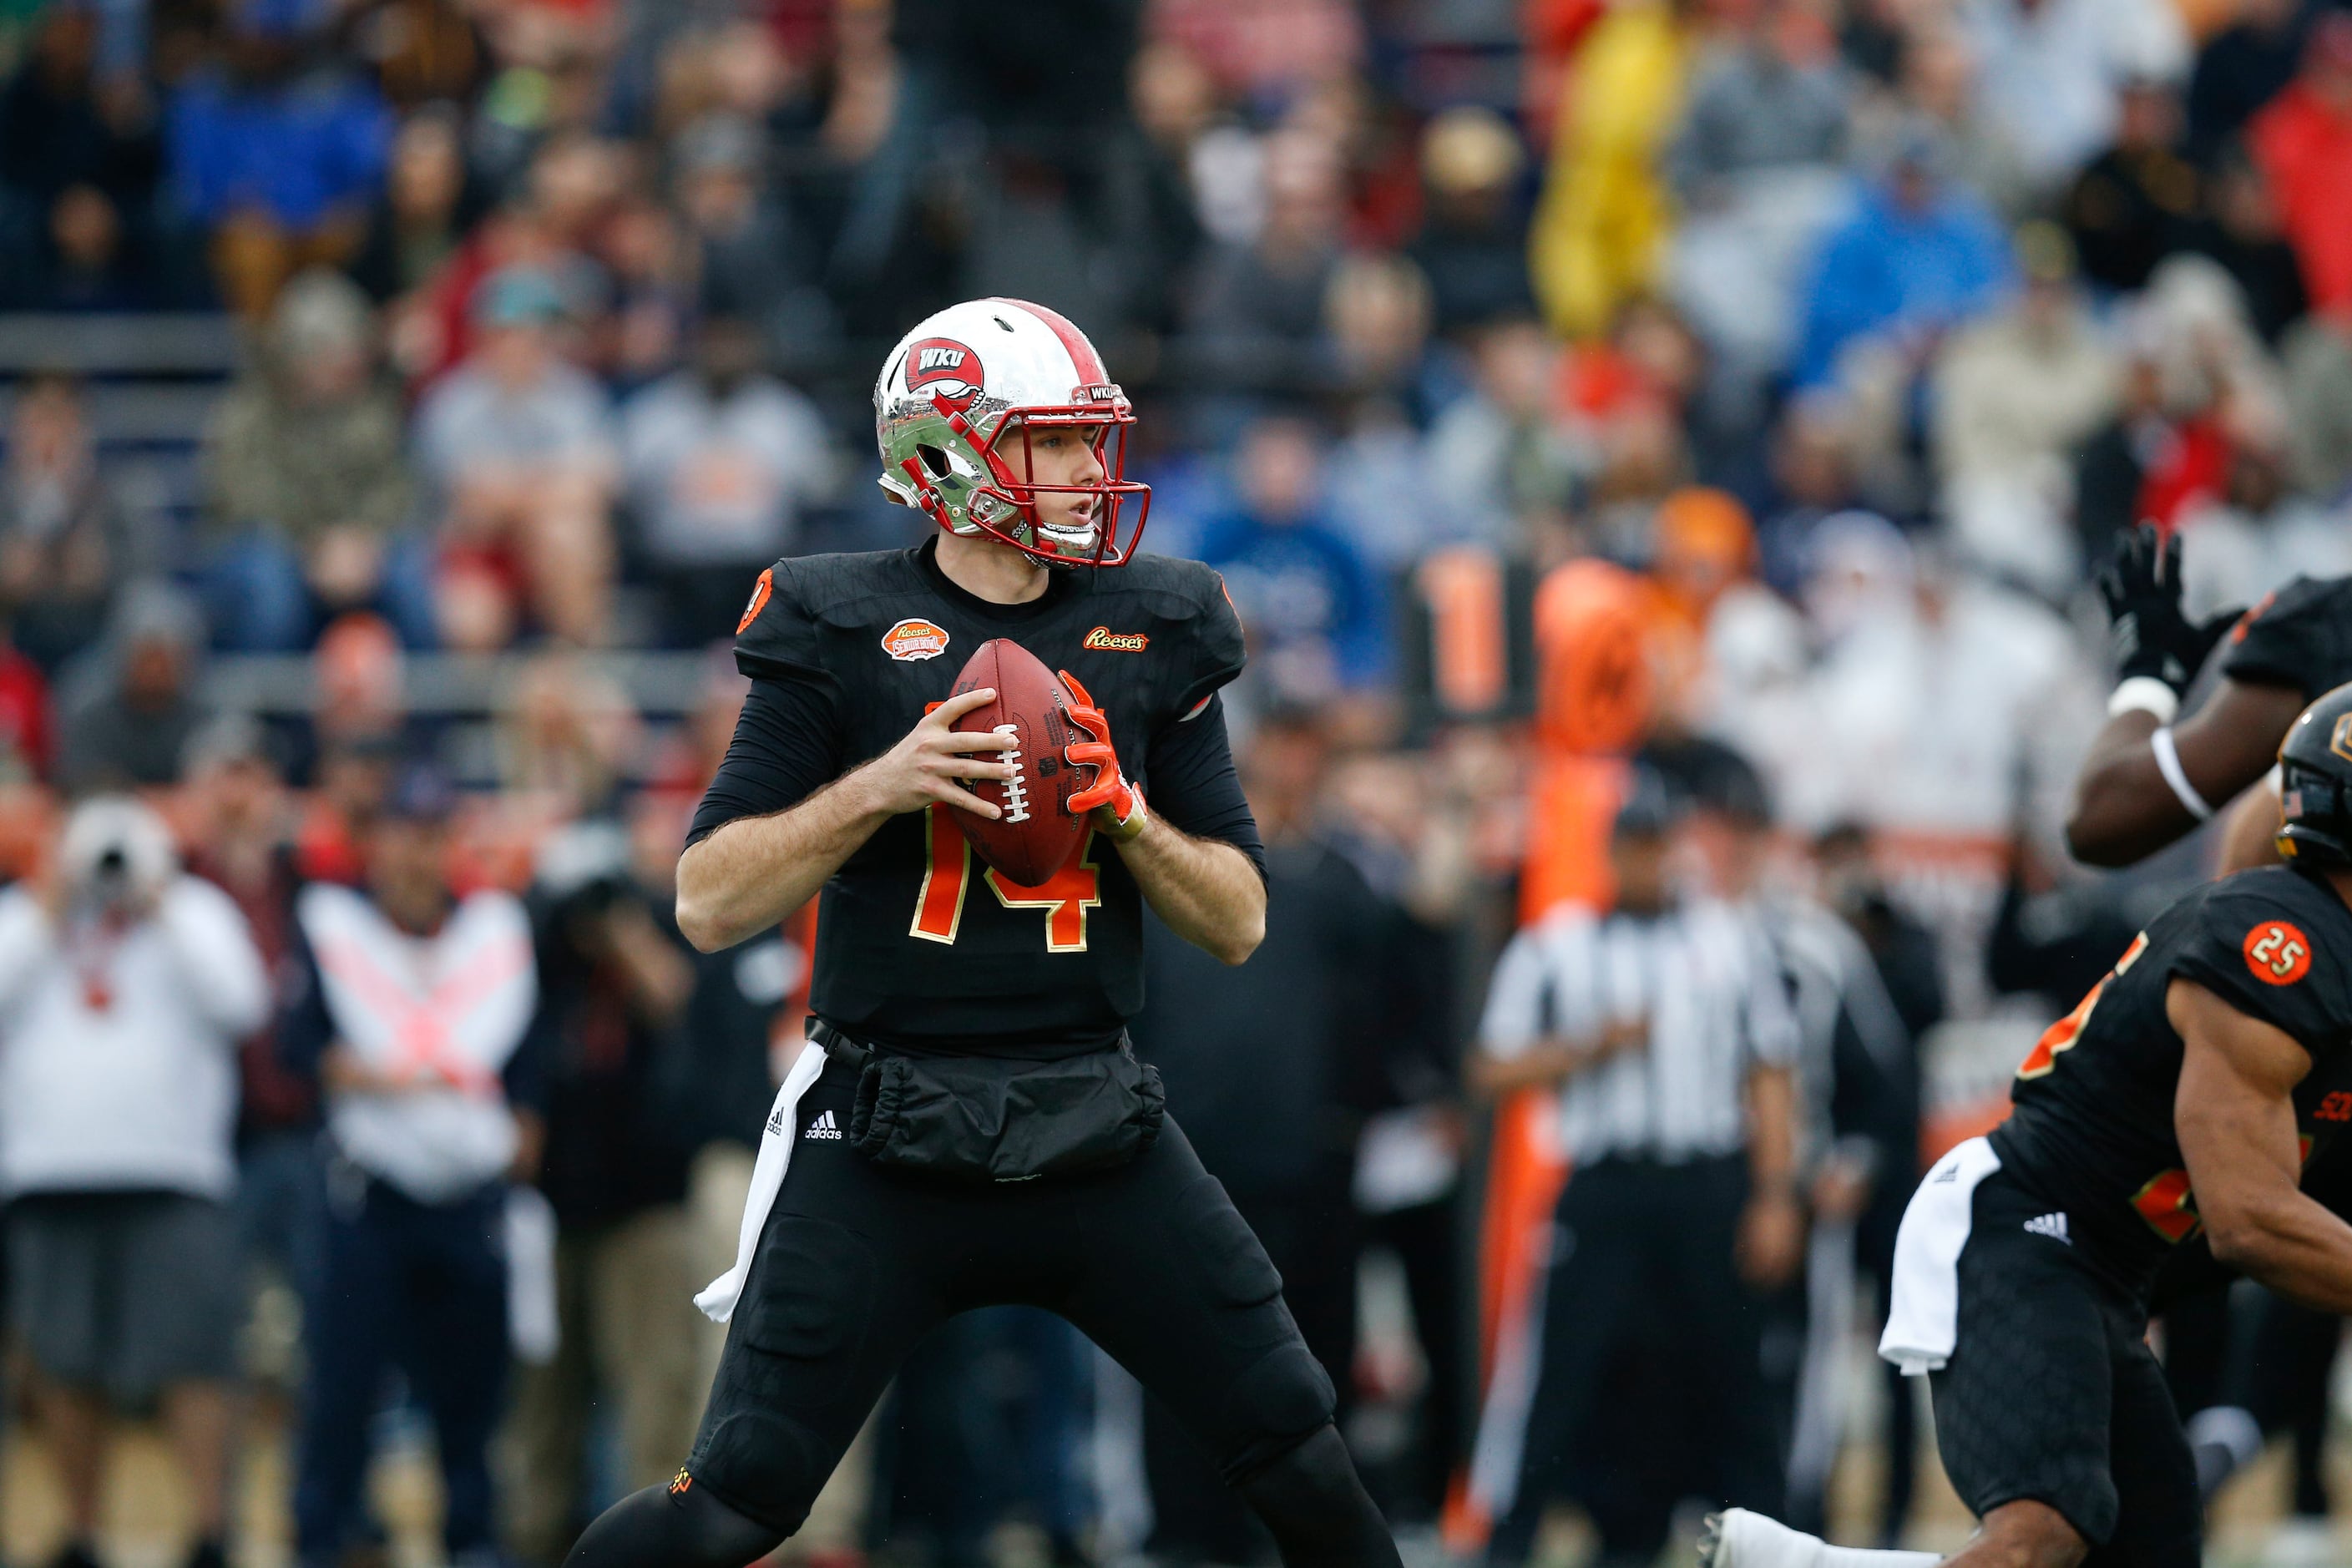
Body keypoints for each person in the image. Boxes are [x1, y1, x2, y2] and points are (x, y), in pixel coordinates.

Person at [561, 297, 1401, 1568]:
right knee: (736, 1498)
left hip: (1093, 1116)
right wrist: (880, 783)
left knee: (1299, 1448)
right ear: (947, 457)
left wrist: (1121, 812)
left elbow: (1235, 918)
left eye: (1087, 439)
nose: (1086, 471)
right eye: (1054, 442)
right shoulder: (840, 627)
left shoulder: (1151, 624)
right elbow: (709, 898)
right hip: (885, 1125)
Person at [1697, 678, 2352, 1568]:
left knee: (2149, 1550)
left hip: (2104, 1270)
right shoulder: (2281, 950)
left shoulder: (2307, 933)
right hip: (2025, 1232)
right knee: (2039, 1536)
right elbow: (2249, 1219)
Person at [1472, 781, 1803, 1568]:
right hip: (1606, 1184)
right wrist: (1587, 1046)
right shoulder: (1557, 943)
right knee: (1564, 1369)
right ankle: (1508, 1542)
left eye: (1659, 845)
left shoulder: (1728, 937)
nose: (1647, 862)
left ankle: (1770, 1546)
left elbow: (1770, 1070)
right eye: (1633, 846)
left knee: (1733, 1373)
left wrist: (1774, 1195)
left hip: (1706, 1182)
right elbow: (1491, 1066)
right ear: (1612, 852)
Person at [0, 795, 270, 1568]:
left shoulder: (195, 912)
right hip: (50, 1172)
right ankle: (80, 1533)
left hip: (176, 1171)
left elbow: (241, 1002)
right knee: (63, 1362)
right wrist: (51, 900)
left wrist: (163, 902)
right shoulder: (27, 917)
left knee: (196, 1360)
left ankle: (211, 1533)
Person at [282, 762, 541, 1568]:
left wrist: (392, 1073)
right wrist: (376, 1074)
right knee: (343, 1388)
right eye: (401, 833)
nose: (415, 853)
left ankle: (471, 1541)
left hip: (469, 1195)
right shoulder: (334, 928)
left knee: (471, 1396)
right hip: (372, 1194)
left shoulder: (495, 931)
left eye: (431, 835)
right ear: (374, 843)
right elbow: (298, 1049)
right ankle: (327, 1538)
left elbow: (529, 1061)